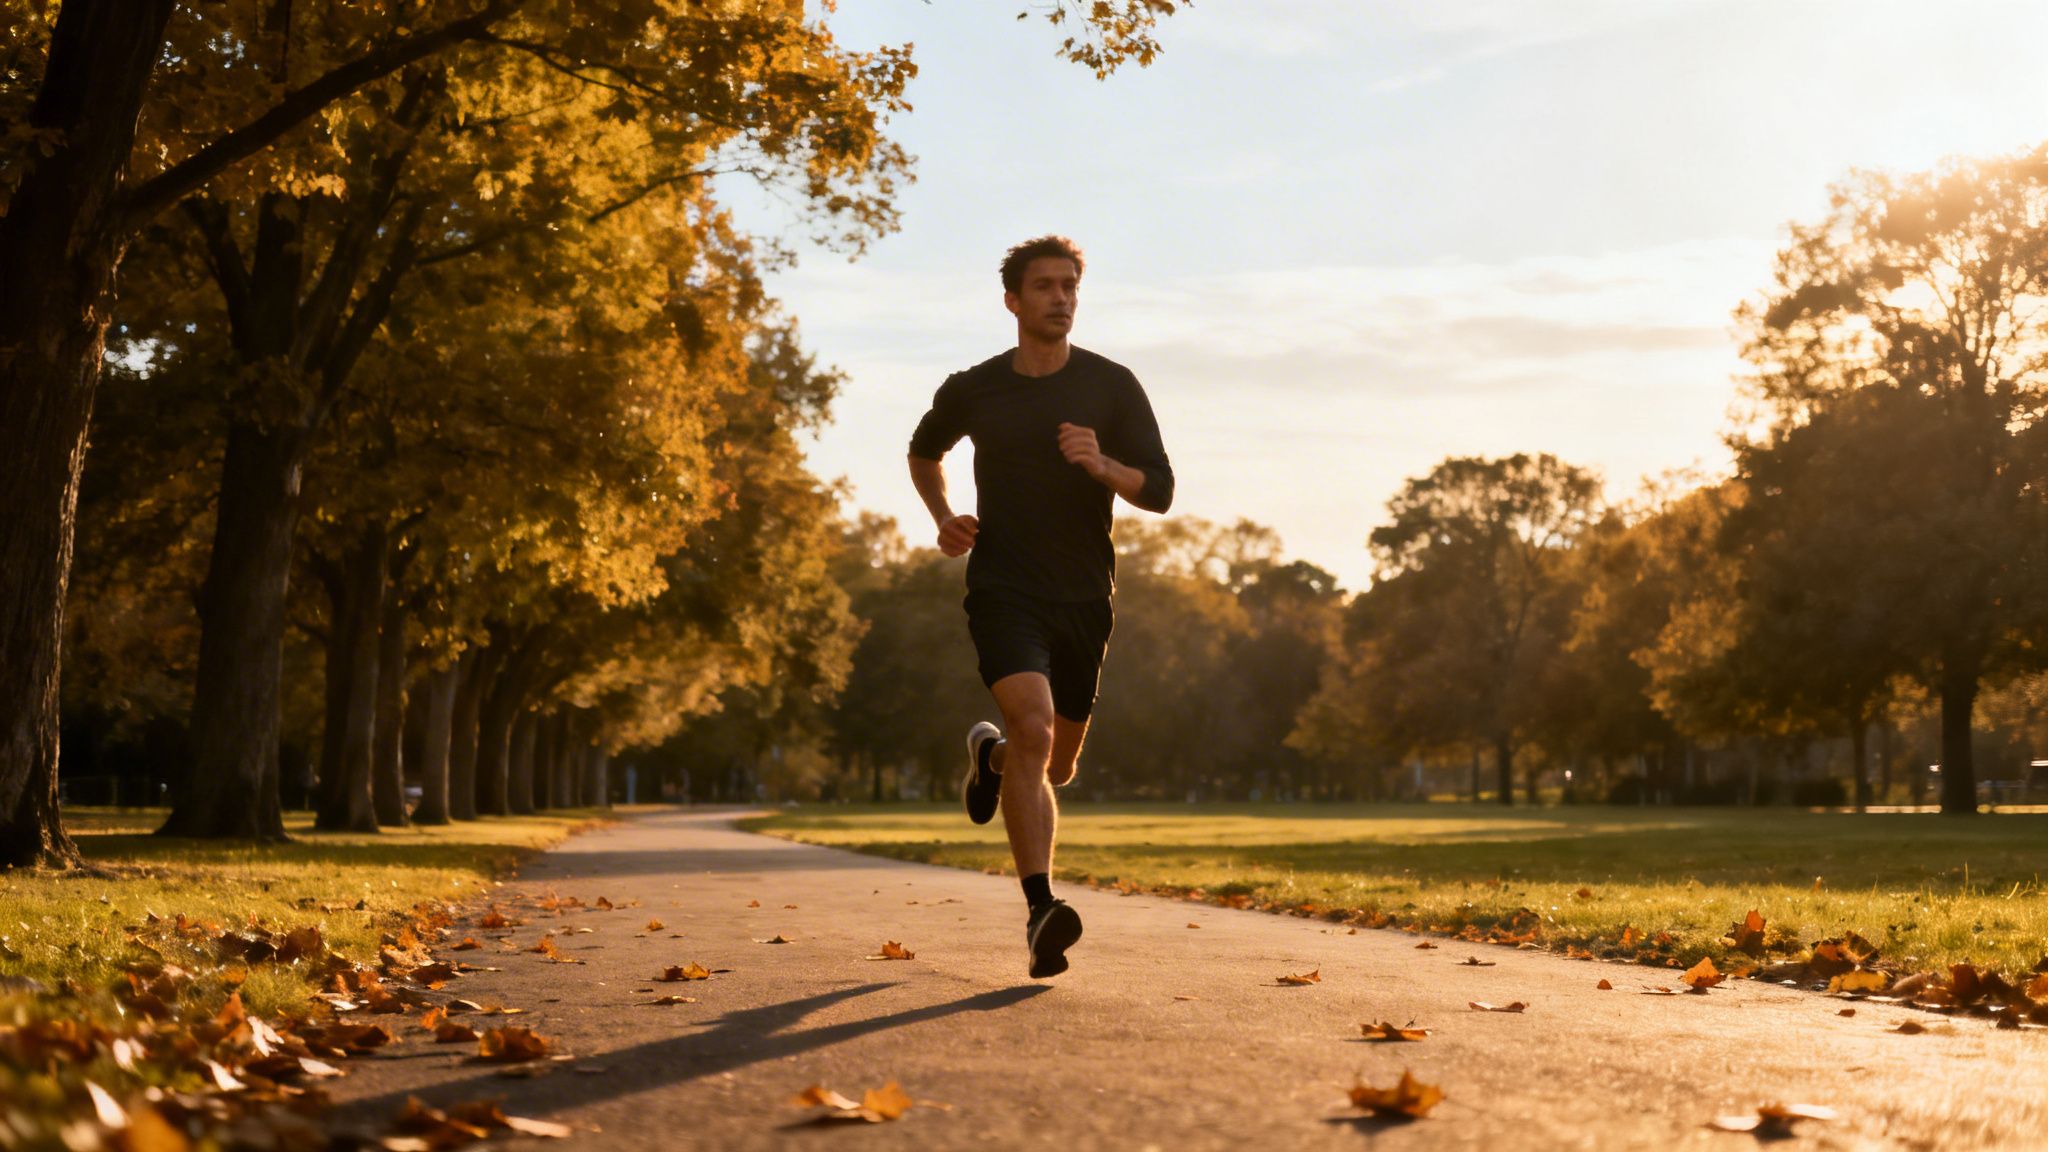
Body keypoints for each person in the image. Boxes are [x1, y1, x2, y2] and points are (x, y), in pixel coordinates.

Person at [906, 235, 1175, 978]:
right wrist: (943, 514)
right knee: (1034, 722)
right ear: (1013, 302)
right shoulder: (975, 388)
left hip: (1086, 596)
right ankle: (1039, 911)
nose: (1060, 298)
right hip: (1004, 588)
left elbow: (1160, 488)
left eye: (1070, 287)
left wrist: (1103, 465)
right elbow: (923, 451)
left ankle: (988, 756)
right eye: (1046, 287)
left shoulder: (1112, 386)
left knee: (1052, 767)